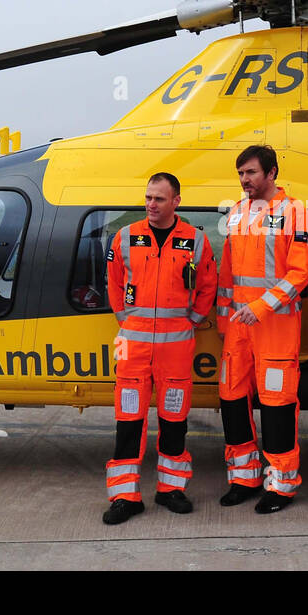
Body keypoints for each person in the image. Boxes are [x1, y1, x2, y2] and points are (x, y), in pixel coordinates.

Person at [103, 172, 217, 525]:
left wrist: (191, 320)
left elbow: (208, 285)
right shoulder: (125, 237)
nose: (152, 205)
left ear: (176, 202)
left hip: (176, 348)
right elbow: (114, 281)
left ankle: (171, 490)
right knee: (128, 422)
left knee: (173, 421)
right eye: (149, 198)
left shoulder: (196, 241)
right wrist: (128, 319)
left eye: (160, 199)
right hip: (132, 346)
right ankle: (125, 496)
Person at [215, 145, 308, 514]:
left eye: (252, 173)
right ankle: (243, 477)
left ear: (271, 173)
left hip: (275, 325)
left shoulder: (296, 214)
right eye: (241, 173)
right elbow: (228, 274)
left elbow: (301, 274)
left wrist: (261, 307)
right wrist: (226, 319)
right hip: (239, 328)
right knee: (231, 398)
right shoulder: (239, 213)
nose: (245, 180)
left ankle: (281, 484)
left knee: (276, 405)